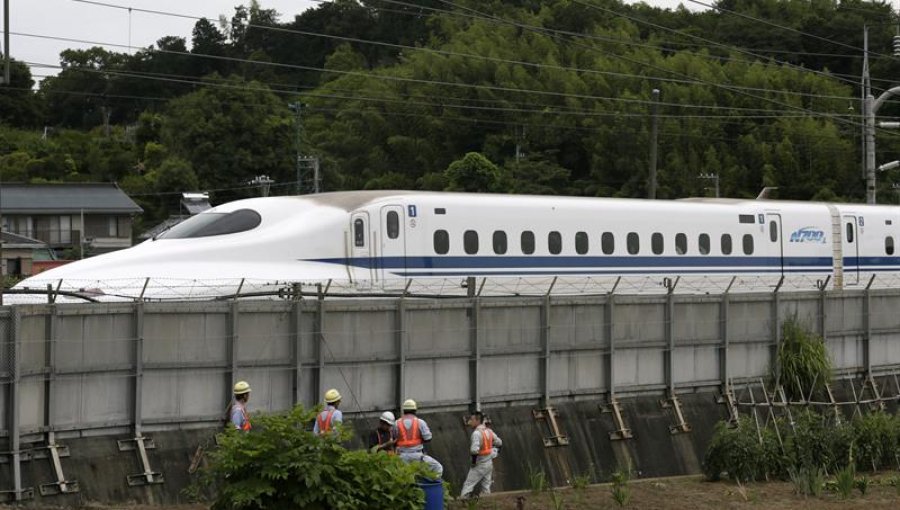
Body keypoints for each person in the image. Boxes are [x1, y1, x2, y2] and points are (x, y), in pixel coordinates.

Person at [392, 399, 443, 478]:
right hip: (417, 456)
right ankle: (428, 485)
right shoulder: (420, 422)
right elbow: (428, 438)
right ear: (415, 410)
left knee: (403, 476)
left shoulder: (396, 423)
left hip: (401, 456)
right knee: (438, 468)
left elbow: (394, 439)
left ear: (404, 410)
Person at [459, 411, 502, 499]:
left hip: (479, 464)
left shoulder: (476, 434)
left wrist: (474, 463)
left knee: (468, 485)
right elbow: (499, 442)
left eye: (472, 419)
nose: (470, 422)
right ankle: (488, 504)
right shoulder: (489, 431)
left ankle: (463, 503)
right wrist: (496, 453)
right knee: (486, 487)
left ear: (478, 421)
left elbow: (474, 451)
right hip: (489, 463)